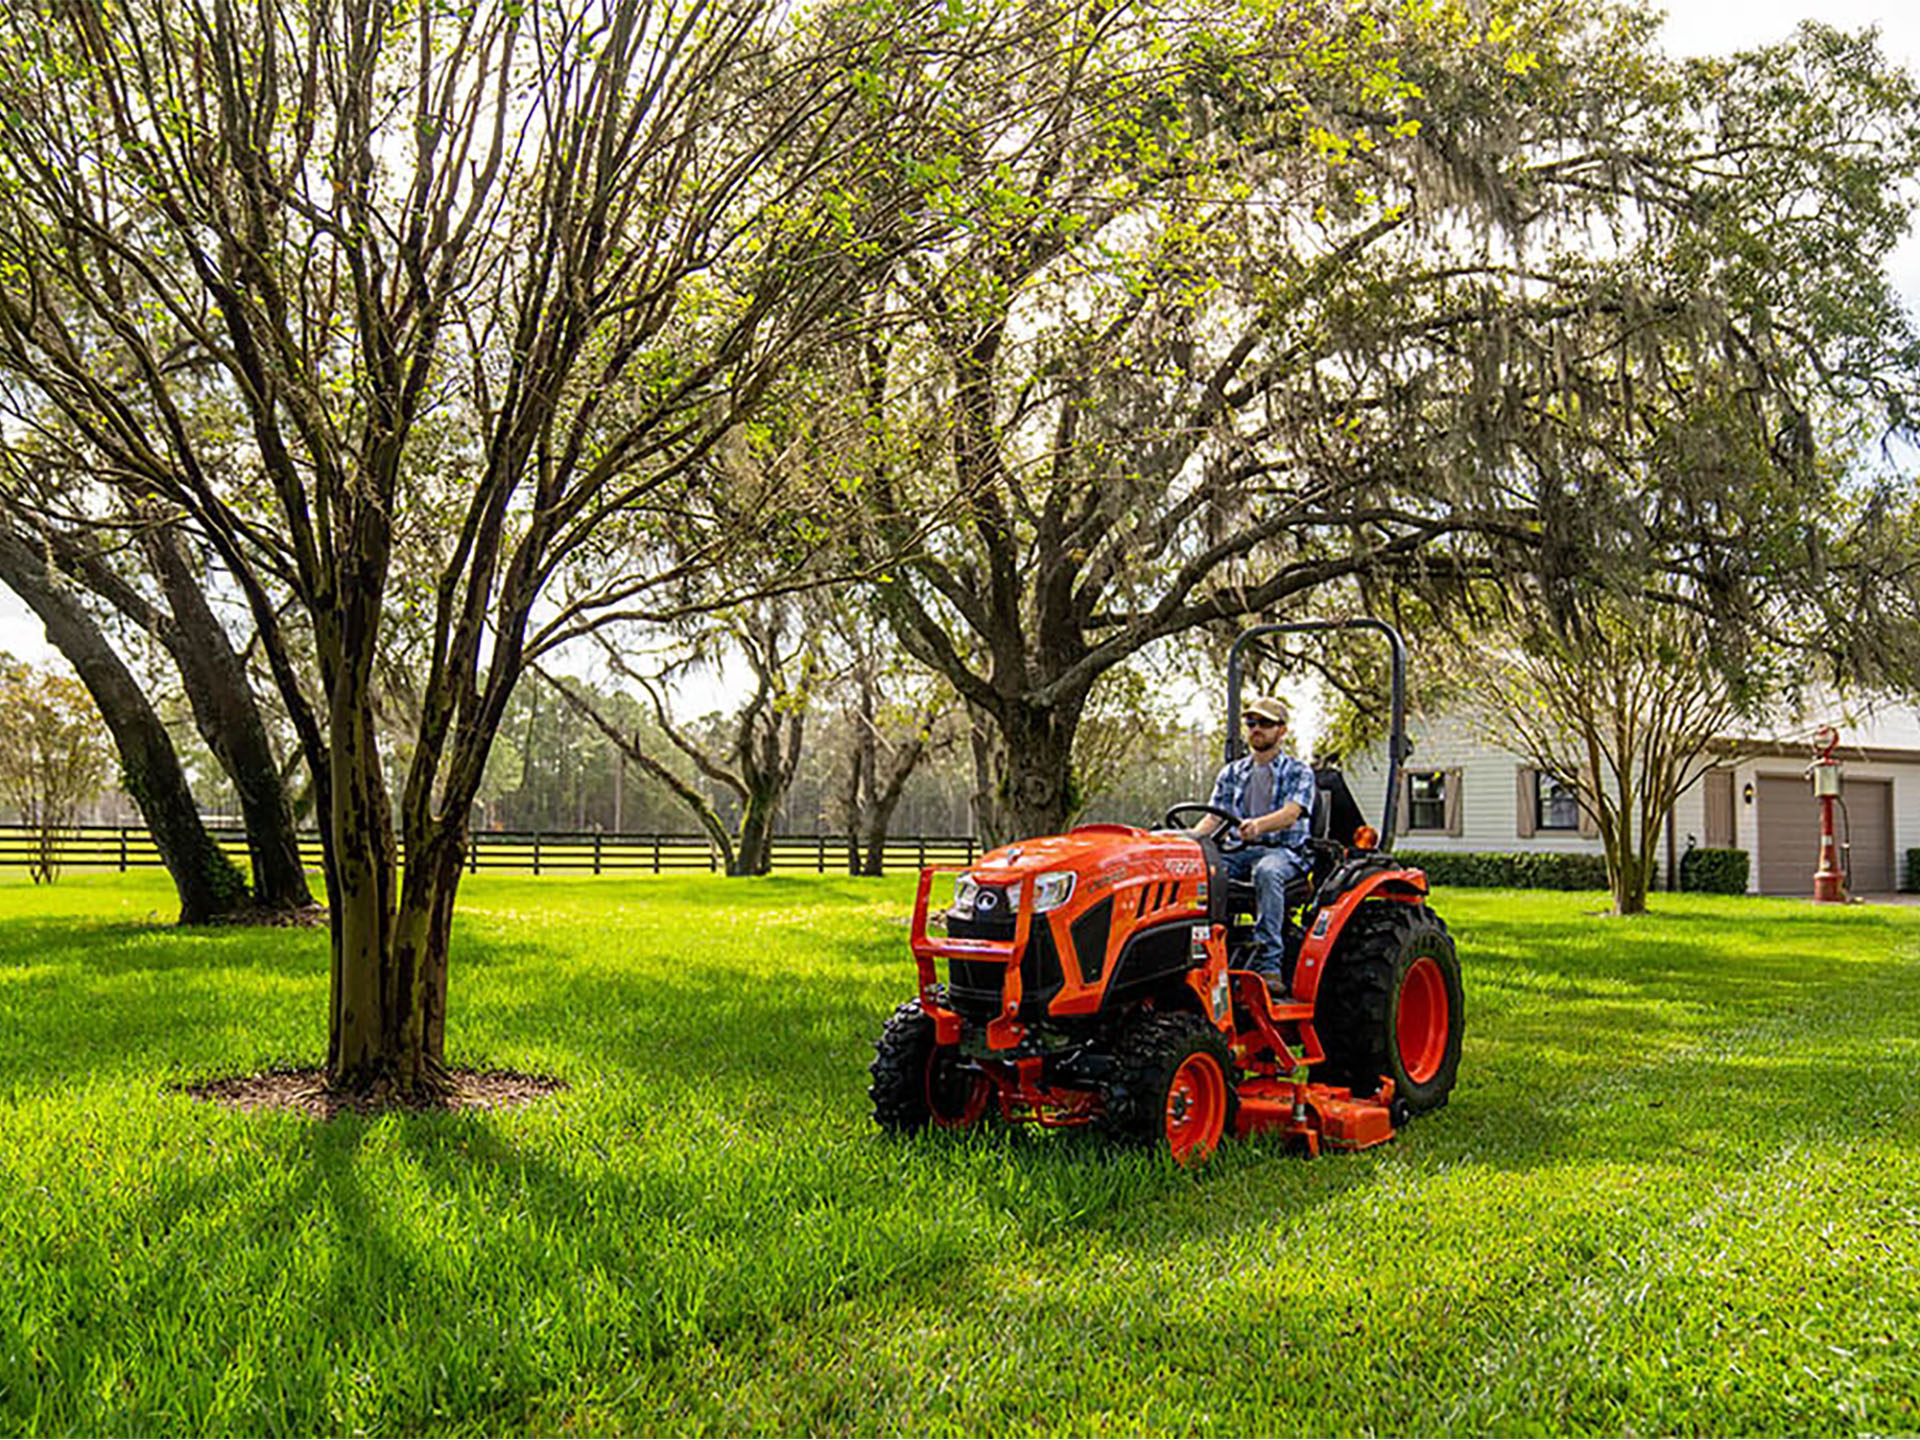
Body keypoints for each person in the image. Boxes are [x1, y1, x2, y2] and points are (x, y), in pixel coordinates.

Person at [1191, 694, 1316, 986]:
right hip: (1238, 851)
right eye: (1251, 722)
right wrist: (1188, 841)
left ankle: (1269, 964)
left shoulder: (1299, 772)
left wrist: (1258, 826)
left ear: (1282, 730)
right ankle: (1205, 953)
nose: (1256, 728)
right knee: (1202, 870)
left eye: (1265, 723)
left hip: (1284, 852)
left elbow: (1291, 813)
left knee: (1267, 872)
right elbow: (1214, 818)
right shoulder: (1233, 772)